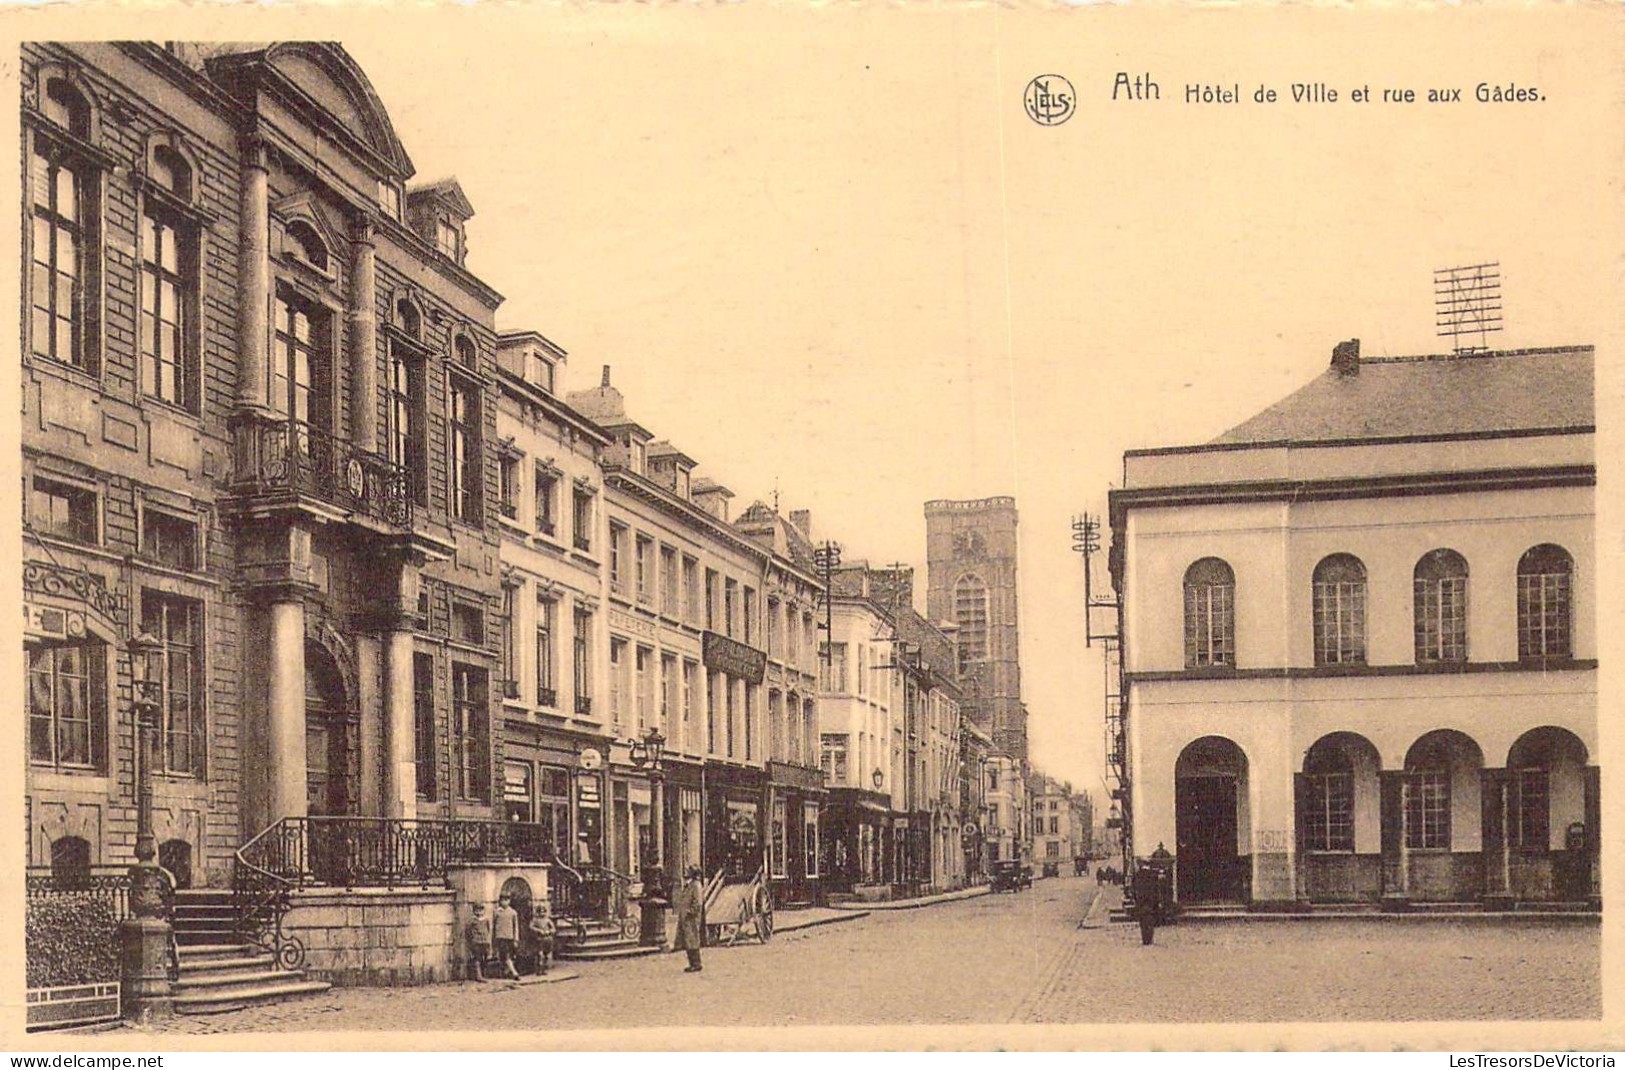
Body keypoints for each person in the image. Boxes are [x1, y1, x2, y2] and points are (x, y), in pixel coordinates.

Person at [673, 866, 705, 973]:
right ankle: (692, 963)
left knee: (692, 939)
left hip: (691, 918)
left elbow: (698, 902)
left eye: (688, 871)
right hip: (686, 918)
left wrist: (690, 912)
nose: (685, 873)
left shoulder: (696, 885)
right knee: (688, 939)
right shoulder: (689, 885)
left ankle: (696, 963)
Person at [493, 893, 521, 979]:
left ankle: (510, 972)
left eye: (506, 900)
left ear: (509, 901)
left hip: (510, 937)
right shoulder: (497, 912)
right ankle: (512, 973)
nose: (504, 902)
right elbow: (494, 925)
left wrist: (516, 939)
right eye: (502, 900)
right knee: (503, 956)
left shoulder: (513, 912)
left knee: (509, 956)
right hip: (500, 937)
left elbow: (516, 926)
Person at [528, 897, 557, 976]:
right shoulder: (535, 920)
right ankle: (538, 970)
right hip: (539, 939)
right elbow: (531, 927)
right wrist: (538, 930)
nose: (542, 914)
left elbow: (553, 928)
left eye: (544, 912)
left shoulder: (547, 920)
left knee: (546, 955)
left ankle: (543, 969)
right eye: (540, 912)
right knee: (539, 955)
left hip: (547, 939)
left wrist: (549, 931)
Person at [466, 902, 492, 982]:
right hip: (476, 942)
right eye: (477, 910)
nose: (479, 912)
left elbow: (488, 930)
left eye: (481, 910)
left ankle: (484, 974)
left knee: (485, 958)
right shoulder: (472, 921)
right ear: (474, 911)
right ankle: (478, 976)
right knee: (477, 958)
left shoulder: (486, 920)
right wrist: (472, 939)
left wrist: (487, 940)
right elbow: (468, 931)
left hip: (484, 942)